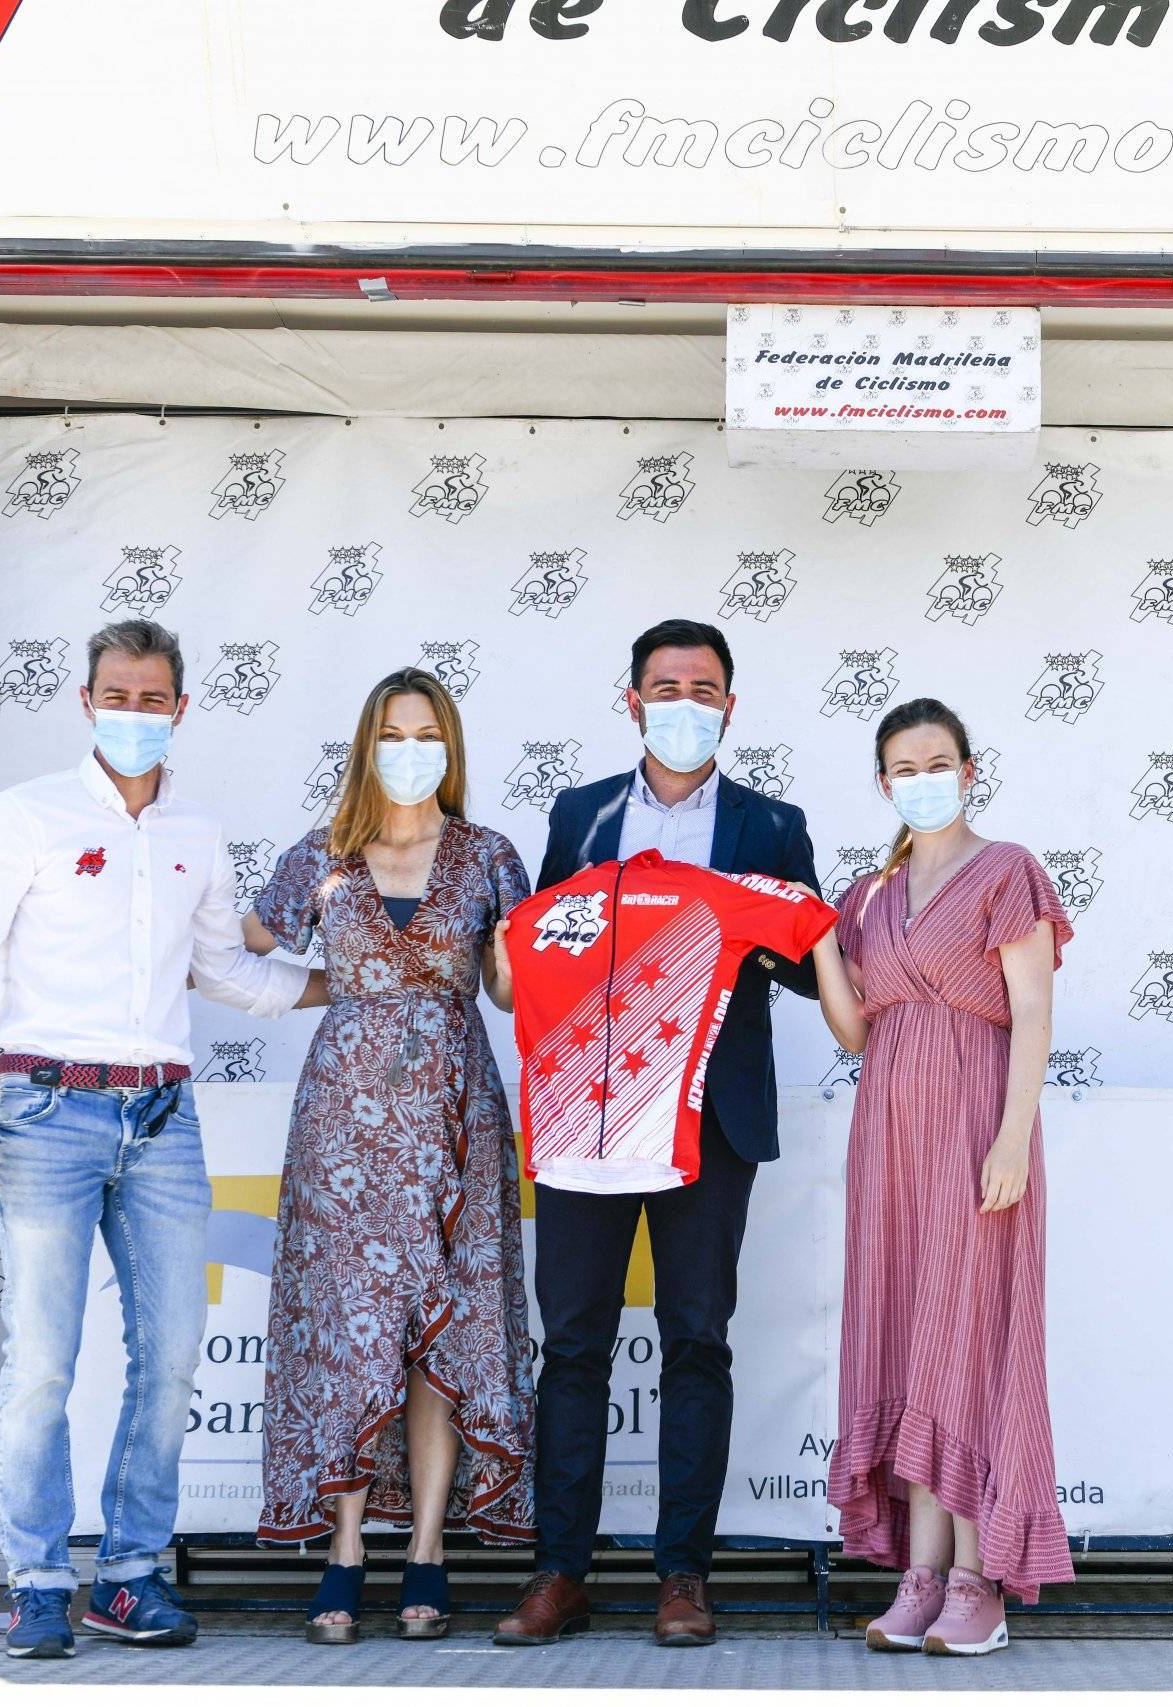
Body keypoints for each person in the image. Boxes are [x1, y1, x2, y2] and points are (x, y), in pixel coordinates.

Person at [0, 619, 322, 1661]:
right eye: (116, 695)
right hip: (44, 1111)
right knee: (43, 1360)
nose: (133, 714)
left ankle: (131, 1577)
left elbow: (227, 970)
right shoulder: (25, 818)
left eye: (152, 700)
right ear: (85, 702)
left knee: (173, 1354)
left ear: (182, 709)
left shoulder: (198, 832)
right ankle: (41, 1578)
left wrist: (353, 982)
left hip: (162, 1117)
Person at [494, 618, 823, 1649]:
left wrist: (732, 939)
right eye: (666, 686)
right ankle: (560, 1572)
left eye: (705, 688)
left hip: (709, 1119)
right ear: (630, 700)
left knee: (696, 1341)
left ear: (731, 704)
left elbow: (812, 964)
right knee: (576, 1343)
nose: (685, 702)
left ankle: (684, 1574)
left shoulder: (773, 824)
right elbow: (549, 943)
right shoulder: (580, 816)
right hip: (587, 1117)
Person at [242, 667, 534, 1643]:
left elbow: (505, 993)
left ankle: (427, 1555)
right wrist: (350, 986)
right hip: (345, 1126)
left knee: (438, 1337)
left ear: (450, 747)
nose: (411, 749)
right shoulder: (321, 854)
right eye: (393, 733)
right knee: (354, 1329)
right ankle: (344, 1550)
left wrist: (497, 964)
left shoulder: (489, 854)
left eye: (428, 733)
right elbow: (242, 945)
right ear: (367, 745)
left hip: (456, 1115)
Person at [803, 697, 1075, 1657]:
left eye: (938, 760)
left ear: (968, 766)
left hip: (974, 1123)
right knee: (908, 1339)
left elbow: (1033, 1013)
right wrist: (823, 944)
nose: (922, 777)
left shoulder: (1008, 869)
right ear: (883, 783)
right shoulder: (868, 894)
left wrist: (1012, 1137)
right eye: (902, 766)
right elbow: (855, 1027)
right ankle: (919, 1578)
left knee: (971, 1337)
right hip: (888, 1133)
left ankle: (979, 1580)